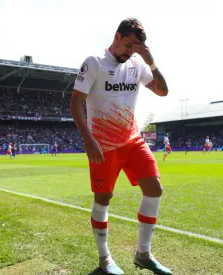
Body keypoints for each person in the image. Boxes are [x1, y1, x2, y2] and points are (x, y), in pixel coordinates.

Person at [69, 18, 171, 275]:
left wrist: (151, 61)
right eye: (128, 44)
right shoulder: (94, 62)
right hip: (103, 145)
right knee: (103, 199)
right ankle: (105, 260)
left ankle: (143, 254)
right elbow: (76, 103)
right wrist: (88, 140)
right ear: (116, 37)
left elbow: (163, 92)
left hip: (133, 141)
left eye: (136, 47)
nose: (130, 51)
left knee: (154, 189)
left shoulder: (137, 63)